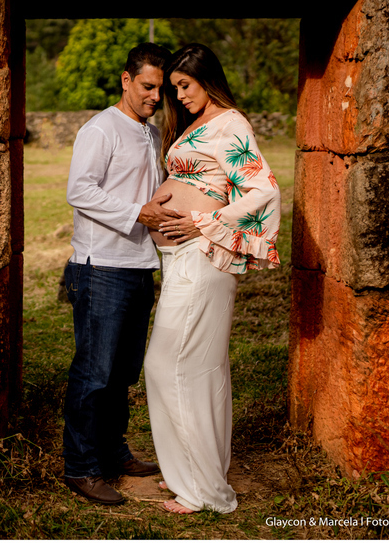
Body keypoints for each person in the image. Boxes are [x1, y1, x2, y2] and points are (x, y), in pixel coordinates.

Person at [144, 43, 281, 514]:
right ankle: (194, 472)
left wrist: (207, 223)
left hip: (204, 257)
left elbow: (263, 191)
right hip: (182, 260)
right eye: (173, 89)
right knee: (201, 370)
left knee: (168, 365)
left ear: (207, 78)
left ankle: (203, 491)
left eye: (185, 85)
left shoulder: (231, 123)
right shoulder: (198, 124)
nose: (178, 96)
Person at [63, 42, 194, 505]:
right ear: (125, 80)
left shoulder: (151, 133)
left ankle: (112, 450)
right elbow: (79, 190)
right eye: (147, 86)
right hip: (101, 268)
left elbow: (154, 198)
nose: (155, 96)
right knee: (94, 372)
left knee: (122, 373)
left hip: (140, 266)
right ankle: (80, 467)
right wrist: (137, 213)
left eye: (161, 89)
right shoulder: (101, 129)